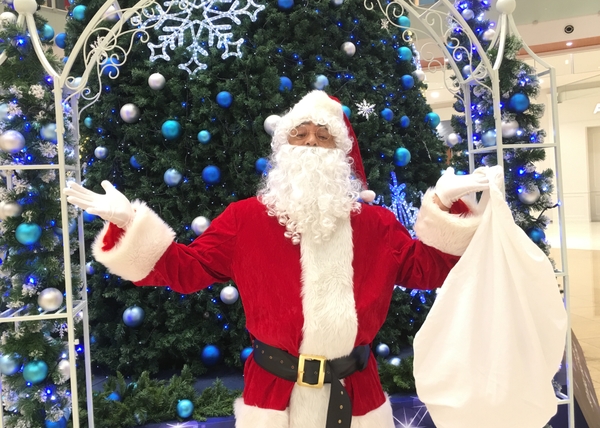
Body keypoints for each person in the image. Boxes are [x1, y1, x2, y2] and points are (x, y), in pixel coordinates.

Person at [64, 90, 488, 428]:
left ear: (341, 154)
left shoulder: (375, 225)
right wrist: (128, 222)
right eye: (300, 134)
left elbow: (428, 268)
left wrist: (447, 208)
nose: (311, 143)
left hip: (357, 395)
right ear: (283, 147)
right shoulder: (245, 219)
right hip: (273, 399)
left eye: (323, 136)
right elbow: (185, 270)